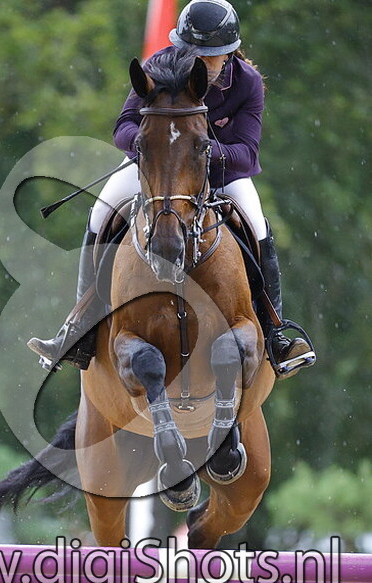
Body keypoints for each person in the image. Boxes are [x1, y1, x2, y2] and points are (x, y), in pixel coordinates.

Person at [28, 0, 315, 379]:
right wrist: (159, 148)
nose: (200, 63)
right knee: (101, 210)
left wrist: (200, 151)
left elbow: (246, 153)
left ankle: (276, 332)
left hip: (222, 173)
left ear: (229, 53)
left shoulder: (246, 82)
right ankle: (79, 328)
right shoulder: (159, 67)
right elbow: (123, 127)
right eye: (193, 53)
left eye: (209, 57)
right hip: (159, 170)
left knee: (257, 223)